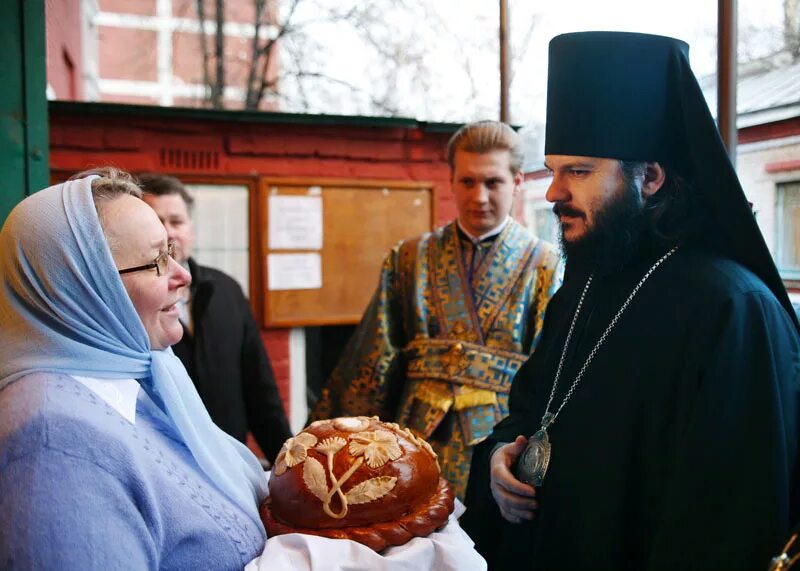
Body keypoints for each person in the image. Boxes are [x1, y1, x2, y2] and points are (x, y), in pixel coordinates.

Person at [461, 32, 800, 570]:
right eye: (553, 170)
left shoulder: (733, 308)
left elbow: (730, 519)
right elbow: (529, 412)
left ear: (651, 177)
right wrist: (501, 462)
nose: (552, 193)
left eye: (579, 171)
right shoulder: (586, 281)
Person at [0, 169, 267, 568]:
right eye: (156, 261)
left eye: (171, 252)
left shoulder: (134, 377)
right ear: (85, 288)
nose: (184, 275)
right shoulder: (53, 445)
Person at [311, 120, 562, 499]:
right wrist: (327, 448)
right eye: (467, 182)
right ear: (451, 181)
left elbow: (551, 374)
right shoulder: (409, 259)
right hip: (413, 447)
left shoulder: (544, 265)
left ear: (516, 182)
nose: (479, 197)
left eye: (492, 182)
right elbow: (371, 365)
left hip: (500, 449)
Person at [138, 173, 291, 464]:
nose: (169, 232)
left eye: (177, 221)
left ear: (191, 230)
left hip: (230, 461)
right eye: (158, 222)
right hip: (169, 464)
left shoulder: (226, 290)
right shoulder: (133, 302)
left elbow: (259, 389)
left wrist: (288, 464)